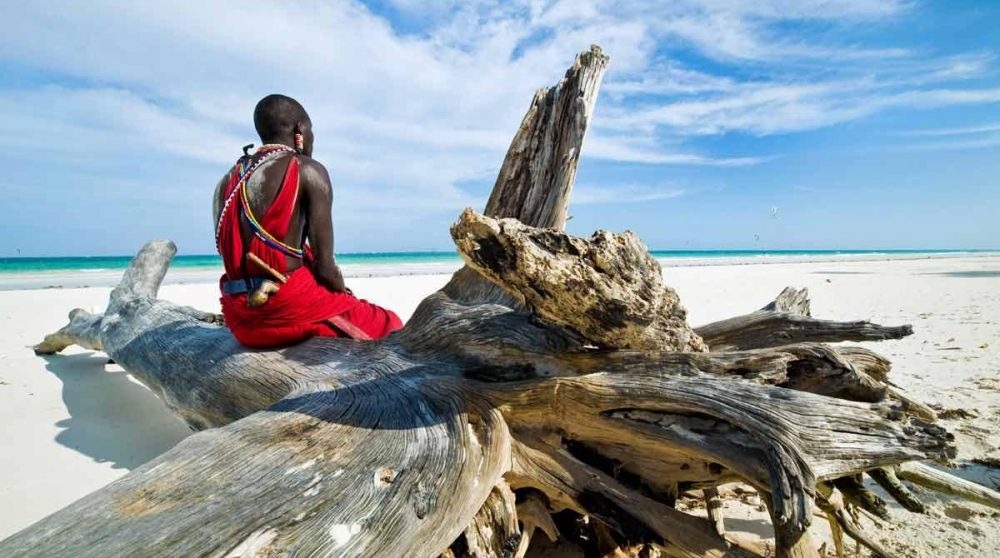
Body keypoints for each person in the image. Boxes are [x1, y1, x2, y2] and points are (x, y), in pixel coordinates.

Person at [213, 94, 402, 348]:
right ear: (300, 129)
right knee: (390, 324)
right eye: (311, 131)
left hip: (240, 318)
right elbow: (326, 268)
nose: (312, 139)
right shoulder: (306, 169)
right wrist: (343, 294)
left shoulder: (226, 182)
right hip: (284, 312)